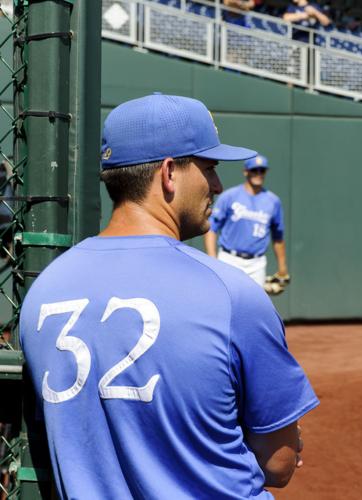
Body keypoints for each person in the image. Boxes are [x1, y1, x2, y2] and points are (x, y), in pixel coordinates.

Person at [19, 94, 319, 498]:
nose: (216, 185)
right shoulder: (230, 294)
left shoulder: (46, 289)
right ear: (168, 174)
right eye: (209, 168)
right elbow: (278, 463)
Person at [204, 153, 289, 290]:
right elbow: (211, 227)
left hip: (257, 263)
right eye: (254, 170)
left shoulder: (273, 201)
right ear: (245, 172)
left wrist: (282, 268)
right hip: (229, 259)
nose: (258, 173)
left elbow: (278, 237)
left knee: (255, 309)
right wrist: (212, 259)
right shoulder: (230, 196)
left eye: (262, 170)